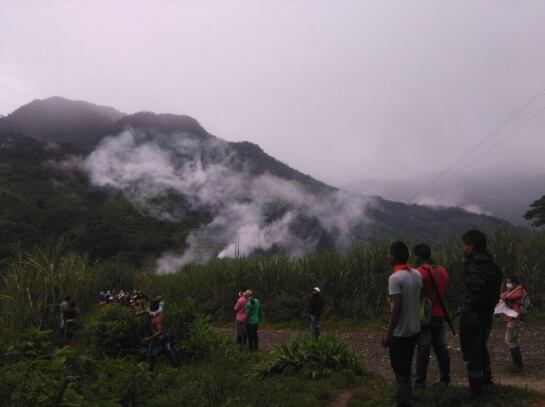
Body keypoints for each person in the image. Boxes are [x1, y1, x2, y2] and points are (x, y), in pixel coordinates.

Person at [458, 229, 502, 397]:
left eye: (466, 245)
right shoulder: (493, 266)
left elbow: (474, 290)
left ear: (472, 246)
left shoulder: (475, 267)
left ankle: (476, 391)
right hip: (487, 314)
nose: (464, 248)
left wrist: (465, 307)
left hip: (472, 316)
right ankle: (487, 380)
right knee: (482, 347)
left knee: (472, 352)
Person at [382, 241, 422, 407]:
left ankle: (402, 401)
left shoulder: (395, 278)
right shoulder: (416, 274)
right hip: (414, 329)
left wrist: (389, 333)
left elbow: (396, 307)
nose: (387, 257)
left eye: (389, 254)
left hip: (401, 332)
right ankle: (405, 398)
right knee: (406, 364)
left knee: (399, 368)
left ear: (394, 256)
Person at [413, 244, 451, 387]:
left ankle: (420, 381)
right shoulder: (442, 270)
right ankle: (445, 379)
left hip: (424, 314)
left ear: (417, 256)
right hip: (440, 313)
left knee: (423, 347)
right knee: (441, 347)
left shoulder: (419, 273)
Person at [500, 276, 526, 372]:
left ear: (515, 283)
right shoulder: (512, 290)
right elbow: (503, 295)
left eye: (509, 282)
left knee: (510, 340)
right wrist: (505, 296)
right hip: (511, 317)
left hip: (514, 317)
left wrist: (505, 296)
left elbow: (511, 297)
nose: (508, 284)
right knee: (512, 340)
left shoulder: (519, 290)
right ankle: (517, 363)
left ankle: (518, 364)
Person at [144, 300, 177, 371]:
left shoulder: (158, 318)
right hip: (165, 334)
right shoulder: (156, 312)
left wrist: (149, 338)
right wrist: (136, 312)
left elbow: (160, 331)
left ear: (153, 308)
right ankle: (175, 365)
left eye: (150, 306)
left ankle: (150, 370)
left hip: (160, 336)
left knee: (151, 352)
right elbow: (146, 311)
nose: (149, 307)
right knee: (167, 351)